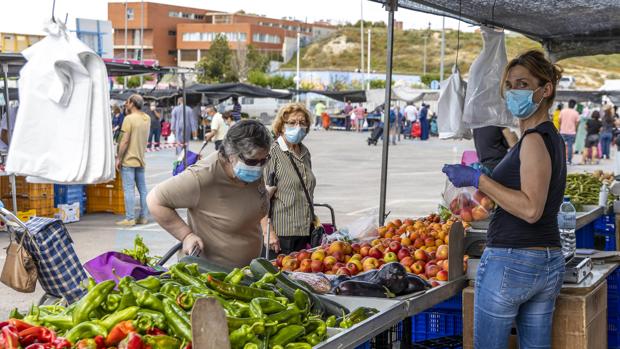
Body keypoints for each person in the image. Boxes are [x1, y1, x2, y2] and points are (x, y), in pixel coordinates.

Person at [443, 50, 565, 348]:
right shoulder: (549, 137)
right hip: (545, 260)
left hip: (513, 260)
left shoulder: (535, 139)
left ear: (545, 89)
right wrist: (490, 180)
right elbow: (526, 194)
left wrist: (478, 179)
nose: (512, 92)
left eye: (522, 84)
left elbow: (531, 208)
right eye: (509, 85)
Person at [147, 120, 272, 268]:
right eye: (253, 161)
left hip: (246, 273)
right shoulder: (202, 176)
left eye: (264, 160)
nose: (259, 167)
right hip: (211, 277)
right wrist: (186, 235)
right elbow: (155, 200)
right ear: (232, 155)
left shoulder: (252, 169)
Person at [262, 103, 316, 255]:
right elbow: (260, 198)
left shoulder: (305, 152)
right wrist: (268, 232)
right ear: (282, 126)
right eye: (292, 123)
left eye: (302, 123)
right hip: (280, 235)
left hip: (304, 231)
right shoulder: (272, 153)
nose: (298, 126)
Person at [116, 94, 151, 227]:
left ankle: (130, 218)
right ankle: (143, 217)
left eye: (127, 102)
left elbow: (124, 141)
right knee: (142, 189)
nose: (126, 104)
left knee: (129, 189)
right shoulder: (146, 118)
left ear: (132, 103)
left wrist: (118, 157)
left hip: (129, 160)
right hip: (141, 159)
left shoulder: (129, 119)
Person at [559, 99, 580, 164]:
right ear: (574, 105)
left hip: (563, 131)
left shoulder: (563, 111)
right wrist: (575, 129)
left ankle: (561, 159)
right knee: (570, 146)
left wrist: (561, 127)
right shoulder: (576, 113)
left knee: (561, 146)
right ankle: (569, 160)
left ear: (568, 104)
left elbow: (559, 121)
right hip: (572, 132)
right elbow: (577, 123)